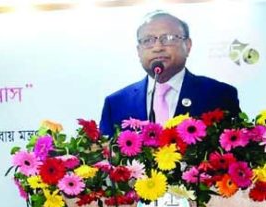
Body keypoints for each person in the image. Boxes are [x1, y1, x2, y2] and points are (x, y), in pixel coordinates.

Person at [99, 11, 241, 136]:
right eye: (148, 40)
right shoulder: (116, 103)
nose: (158, 47)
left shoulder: (220, 95)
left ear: (188, 45)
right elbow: (105, 159)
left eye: (168, 38)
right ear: (138, 50)